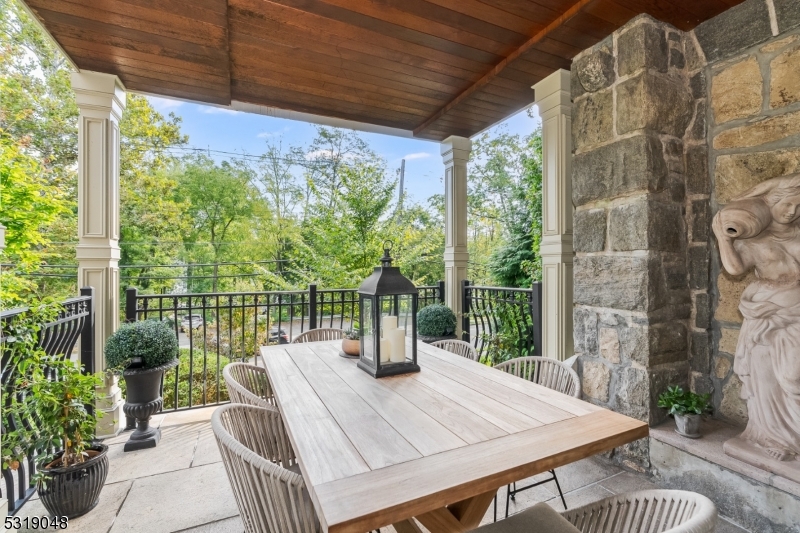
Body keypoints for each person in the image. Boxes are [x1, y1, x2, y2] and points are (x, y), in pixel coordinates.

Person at [713, 174, 800, 462]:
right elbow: (735, 269)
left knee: (792, 376)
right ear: (771, 202)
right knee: (764, 368)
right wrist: (722, 237)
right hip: (765, 309)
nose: (792, 211)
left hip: (794, 311)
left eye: (798, 206)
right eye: (788, 203)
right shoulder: (754, 238)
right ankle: (770, 435)